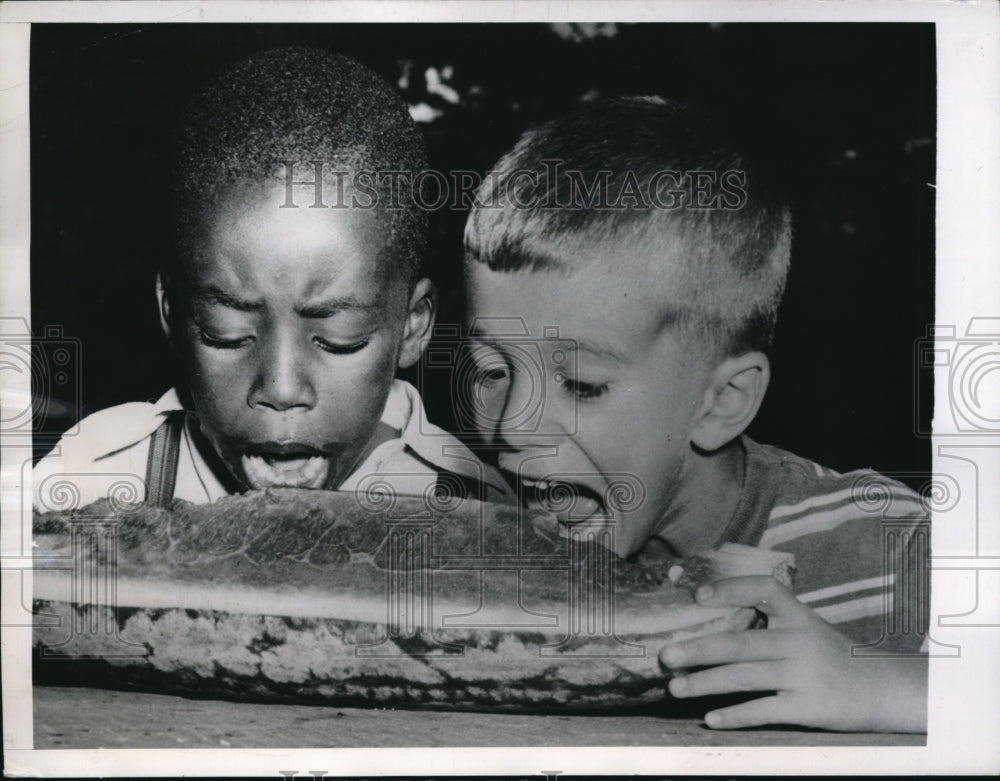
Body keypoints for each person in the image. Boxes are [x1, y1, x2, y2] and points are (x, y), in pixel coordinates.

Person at [460, 96, 929, 732]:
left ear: (721, 402)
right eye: (492, 371)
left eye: (581, 384)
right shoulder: (482, 536)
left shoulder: (884, 546)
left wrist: (884, 687)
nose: (512, 426)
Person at [34, 46, 509, 511]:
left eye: (339, 340)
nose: (281, 389)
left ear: (411, 325)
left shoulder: (484, 516)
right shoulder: (87, 482)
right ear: (172, 312)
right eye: (227, 334)